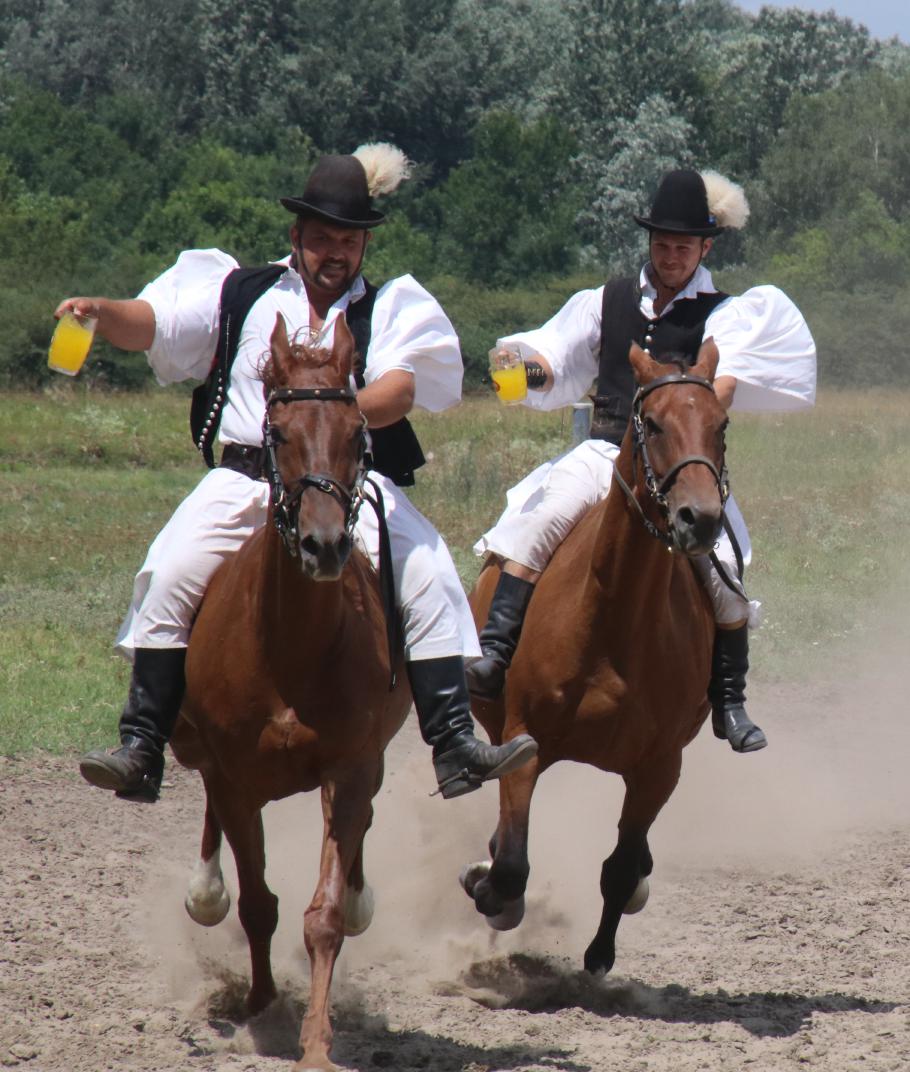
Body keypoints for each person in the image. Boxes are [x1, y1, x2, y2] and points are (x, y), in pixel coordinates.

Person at [62, 144, 536, 803]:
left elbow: (398, 390)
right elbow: (156, 324)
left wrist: (329, 422)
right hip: (246, 479)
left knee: (428, 569)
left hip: (347, 484)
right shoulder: (241, 291)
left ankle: (453, 742)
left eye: (349, 240)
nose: (335, 252)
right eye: (322, 238)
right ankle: (143, 744)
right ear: (297, 237)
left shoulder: (390, 308)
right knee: (169, 568)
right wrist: (100, 312)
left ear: (363, 245)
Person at [467, 168, 816, 753]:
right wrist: (521, 368)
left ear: (706, 247)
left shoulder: (726, 314)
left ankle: (729, 701)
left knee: (724, 563)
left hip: (683, 461)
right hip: (606, 447)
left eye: (683, 246)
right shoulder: (606, 300)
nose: (671, 255)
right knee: (539, 519)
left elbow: (720, 388)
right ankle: (495, 654)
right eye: (662, 244)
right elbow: (556, 359)